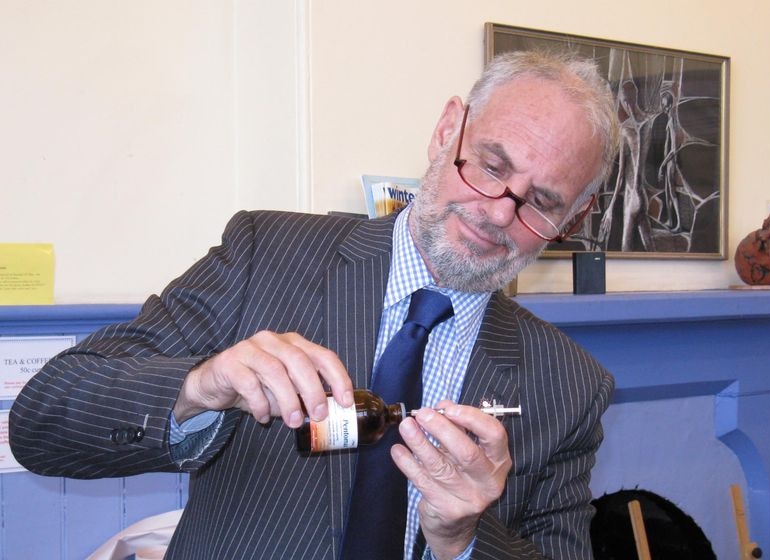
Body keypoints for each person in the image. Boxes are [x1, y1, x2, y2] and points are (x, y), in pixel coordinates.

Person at [10, 49, 619, 560]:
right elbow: (42, 423)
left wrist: (461, 540)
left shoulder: (568, 383)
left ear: (576, 215)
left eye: (540, 202)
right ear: (447, 130)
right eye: (490, 166)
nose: (497, 212)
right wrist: (200, 385)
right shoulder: (265, 254)